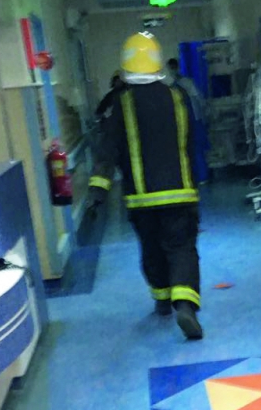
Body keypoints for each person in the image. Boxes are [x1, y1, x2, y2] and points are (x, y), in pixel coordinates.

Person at [86, 32, 203, 340]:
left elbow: (108, 150)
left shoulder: (121, 103)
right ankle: (185, 306)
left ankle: (162, 300)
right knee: (182, 248)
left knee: (152, 249)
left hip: (141, 199)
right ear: (157, 62)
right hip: (180, 193)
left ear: (126, 65)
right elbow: (190, 144)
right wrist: (195, 186)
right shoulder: (178, 97)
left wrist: (97, 193)